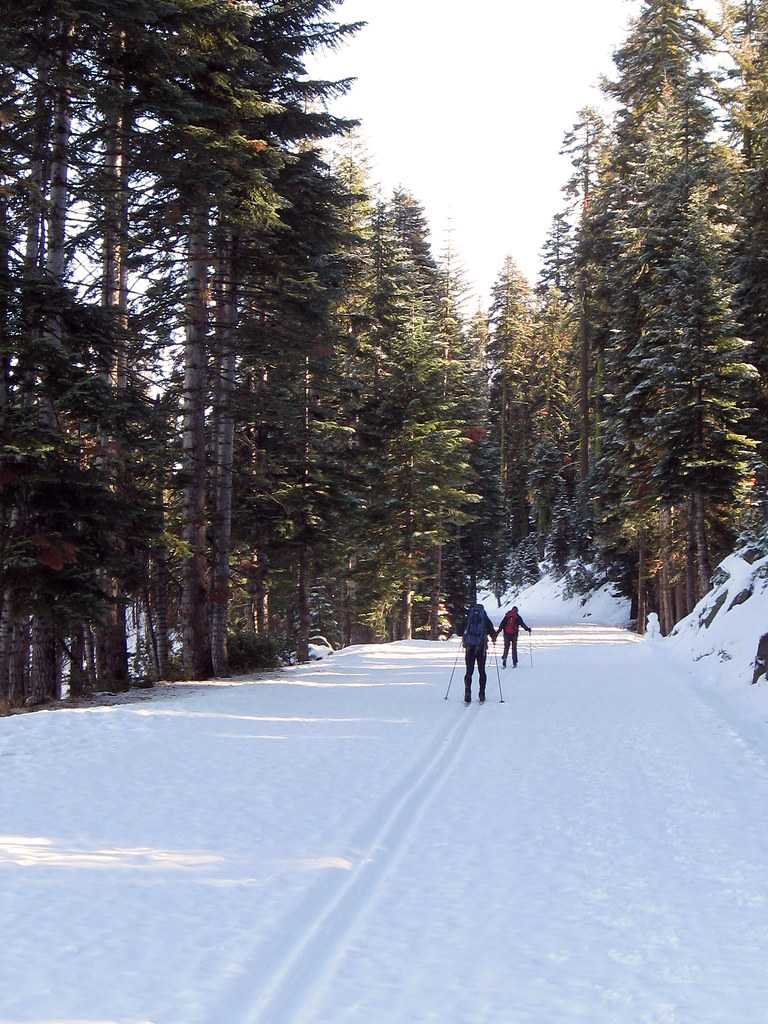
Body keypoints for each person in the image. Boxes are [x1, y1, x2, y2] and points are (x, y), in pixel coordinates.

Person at [461, 603, 497, 704]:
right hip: (481, 648)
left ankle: (467, 691)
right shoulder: (485, 618)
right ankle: (482, 693)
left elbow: (459, 631)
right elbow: (492, 632)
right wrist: (493, 638)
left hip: (470, 648)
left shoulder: (469, 617)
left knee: (469, 671)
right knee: (481, 671)